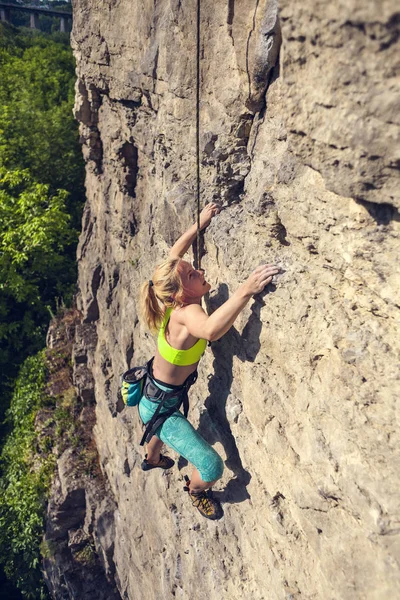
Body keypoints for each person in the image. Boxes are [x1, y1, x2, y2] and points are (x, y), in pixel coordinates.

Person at [139, 203, 279, 519]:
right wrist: (246, 290)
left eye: (194, 269)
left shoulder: (168, 302)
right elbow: (212, 330)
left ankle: (152, 458)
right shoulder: (187, 314)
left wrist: (199, 224)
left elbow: (175, 253)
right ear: (178, 294)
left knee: (156, 424)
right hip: (163, 405)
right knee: (212, 465)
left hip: (155, 397)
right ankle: (196, 490)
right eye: (192, 274)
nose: (200, 272)